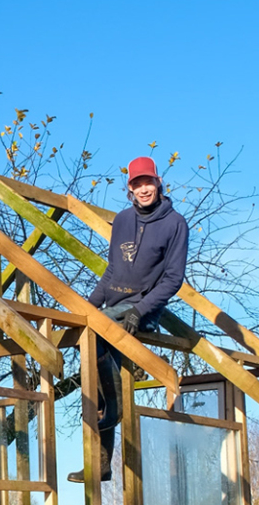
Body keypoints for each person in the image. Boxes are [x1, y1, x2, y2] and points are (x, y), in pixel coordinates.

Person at [73, 155, 189, 483]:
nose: (143, 189)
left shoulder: (175, 224)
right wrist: (88, 306)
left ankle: (115, 408)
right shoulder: (122, 221)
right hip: (114, 305)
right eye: (136, 183)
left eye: (147, 182)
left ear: (158, 182)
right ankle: (102, 461)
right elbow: (112, 270)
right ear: (130, 188)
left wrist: (142, 310)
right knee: (89, 352)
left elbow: (172, 278)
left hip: (143, 309)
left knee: (95, 339)